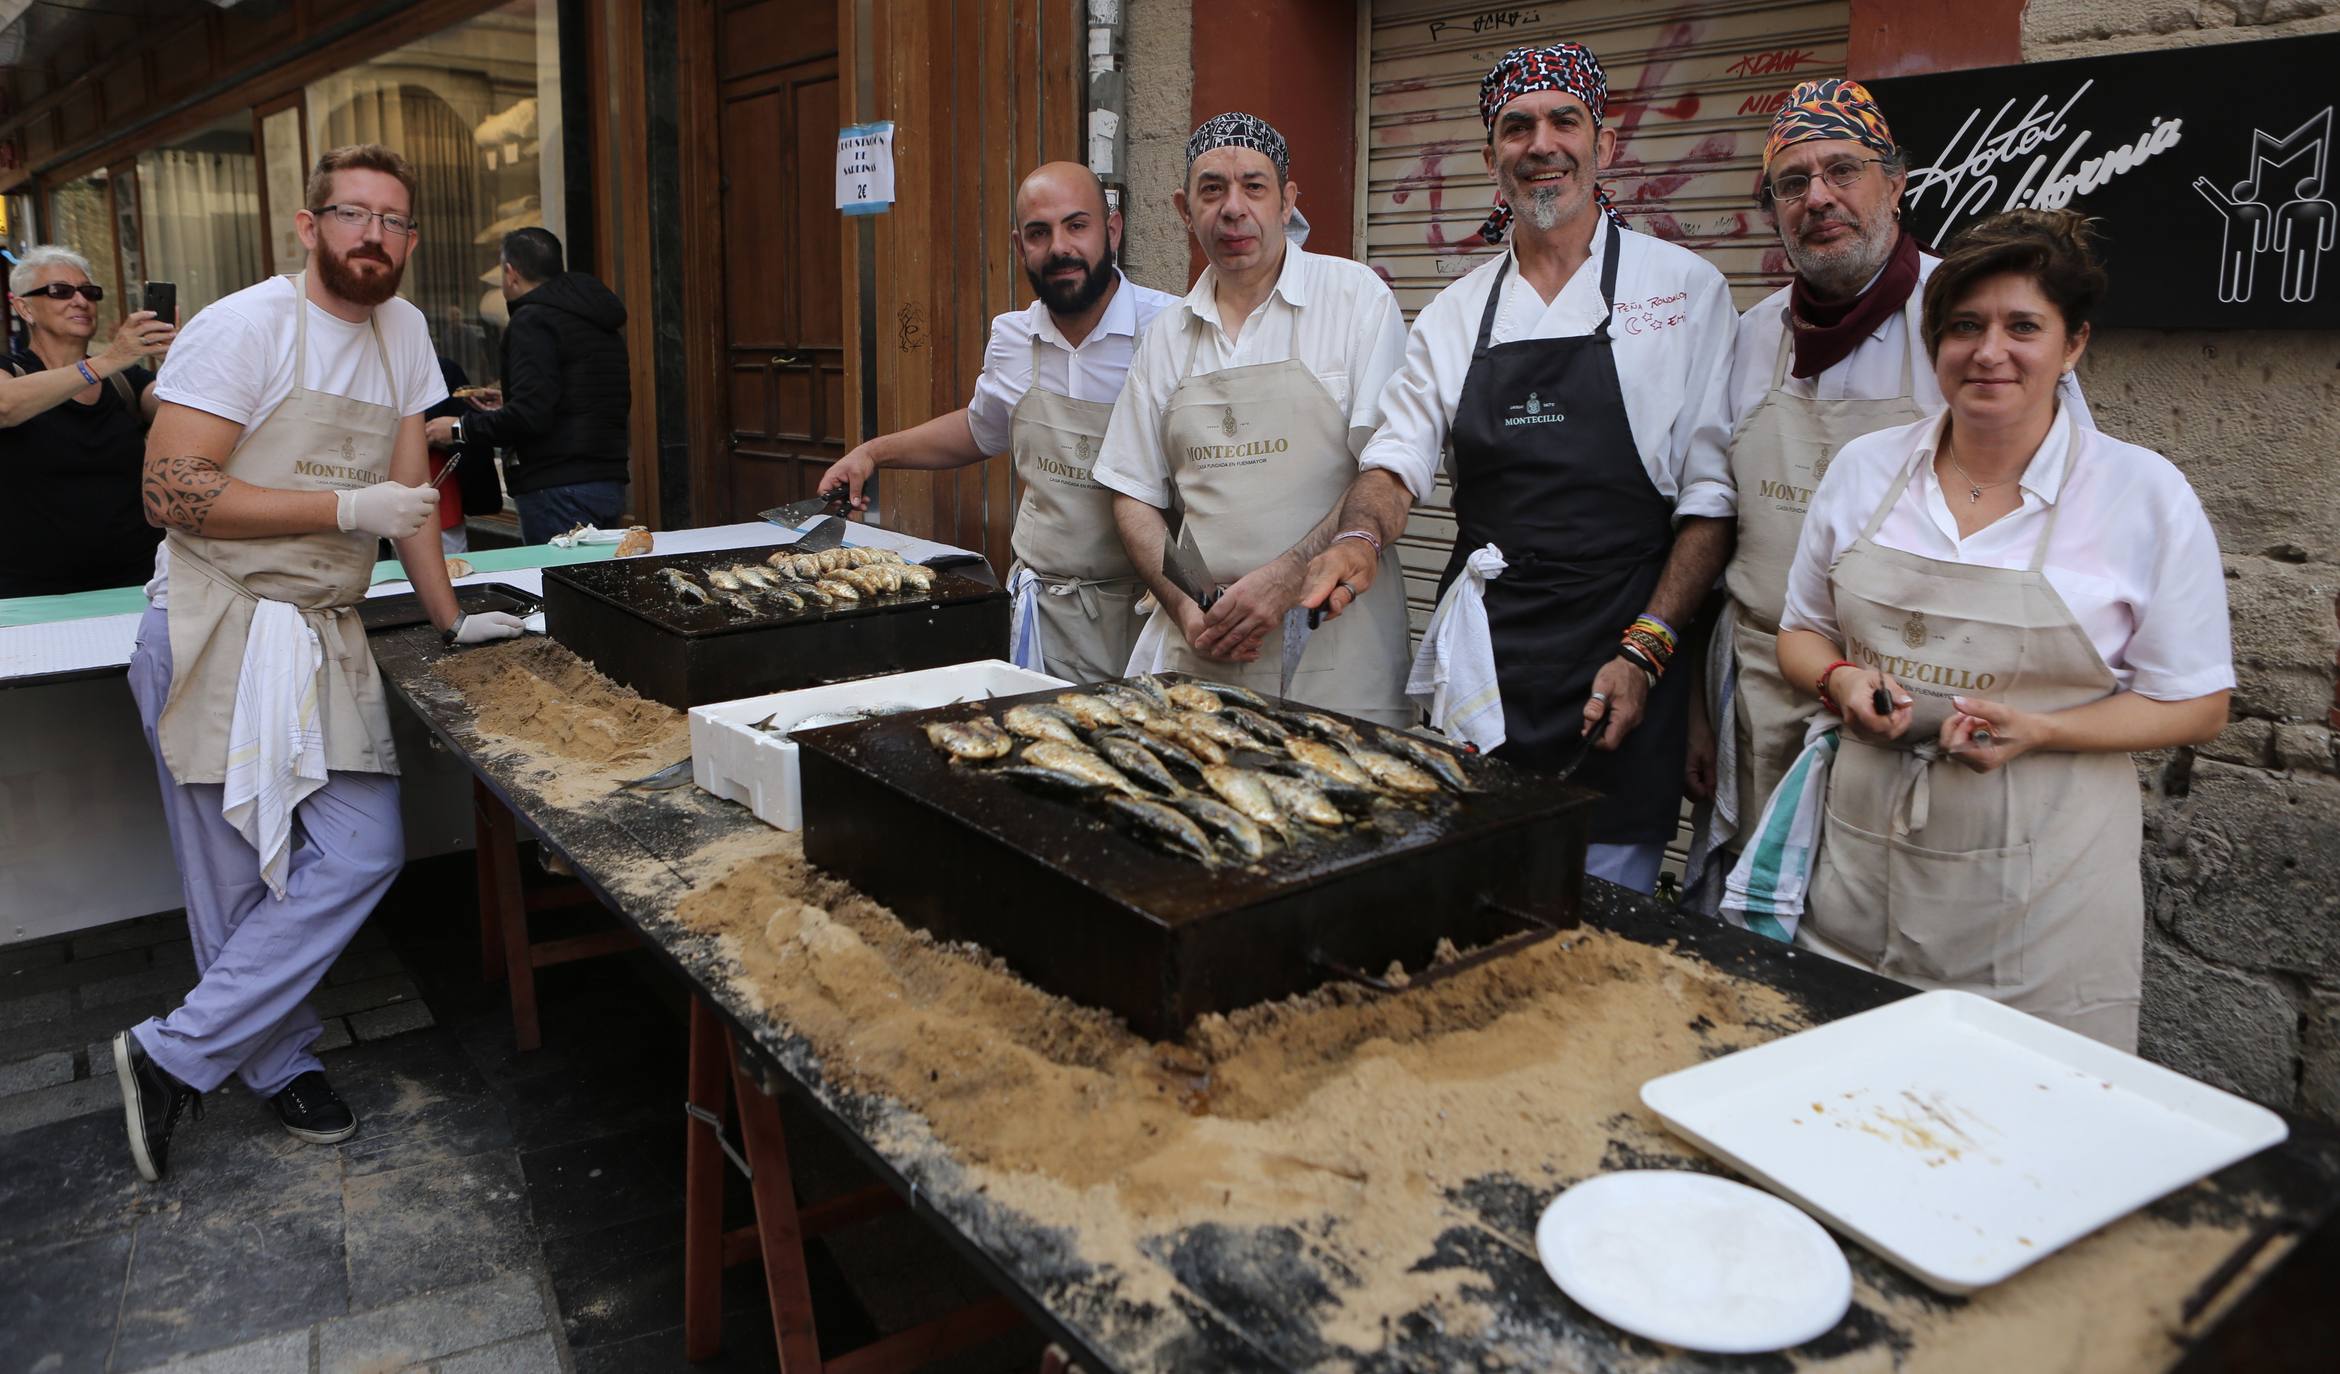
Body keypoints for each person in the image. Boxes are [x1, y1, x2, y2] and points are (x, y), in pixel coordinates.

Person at [115, 144, 527, 1181]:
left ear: (412, 241)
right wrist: (344, 509)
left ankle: (170, 1055)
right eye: (353, 215)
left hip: (322, 626)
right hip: (217, 622)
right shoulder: (243, 327)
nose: (373, 238)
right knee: (233, 880)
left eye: (394, 221)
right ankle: (280, 1063)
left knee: (358, 850)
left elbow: (410, 497)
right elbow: (171, 493)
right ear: (309, 227)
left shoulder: (406, 330)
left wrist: (446, 619)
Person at [1765, 210, 2230, 1050]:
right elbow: (1800, 635)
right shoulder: (1865, 470)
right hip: (1861, 878)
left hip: (2045, 905)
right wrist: (1840, 681)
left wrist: (2043, 727)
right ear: (1934, 342)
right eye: (1965, 327)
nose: (1990, 352)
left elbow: (2196, 704)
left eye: (2024, 327)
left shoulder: (2141, 494)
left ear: (2074, 344)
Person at [1298, 44, 1737, 892]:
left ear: (1602, 145)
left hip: (1626, 646)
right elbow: (1395, 460)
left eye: (1563, 120)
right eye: (1517, 126)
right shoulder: (1457, 313)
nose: (1542, 143)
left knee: (1607, 899)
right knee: (1479, 886)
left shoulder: (1682, 290)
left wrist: (1647, 654)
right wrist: (1359, 534)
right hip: (1491, 654)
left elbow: (1711, 505)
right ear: (1491, 157)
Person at [1682, 78, 2091, 908]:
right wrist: (1698, 699)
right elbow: (1711, 509)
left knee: (1895, 914)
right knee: (1768, 921)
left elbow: (2061, 500)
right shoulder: (1754, 335)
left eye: (1842, 170)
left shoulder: (1971, 322)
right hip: (1763, 678)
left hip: (1921, 695)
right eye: (1792, 183)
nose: (1818, 198)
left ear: (1896, 183)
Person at [1092, 113, 1411, 723]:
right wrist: (1188, 602)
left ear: (1288, 201)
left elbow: (1387, 473)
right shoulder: (1165, 339)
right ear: (1186, 210)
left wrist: (1287, 578)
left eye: (1254, 187)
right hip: (1206, 655)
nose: (1232, 208)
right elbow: (1132, 495)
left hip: (1338, 652)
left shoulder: (1354, 300)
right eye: (1212, 190)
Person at [816, 162, 1177, 683]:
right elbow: (979, 430)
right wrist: (872, 453)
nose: (1059, 247)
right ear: (1019, 246)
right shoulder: (1013, 339)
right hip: (1043, 616)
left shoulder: (1169, 330)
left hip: (1145, 616)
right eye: (1038, 233)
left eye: (1077, 225)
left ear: (1112, 230)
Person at [428, 227, 629, 544]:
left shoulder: (531, 320)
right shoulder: (592, 316)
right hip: (607, 481)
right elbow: (579, 398)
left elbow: (531, 415)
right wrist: (511, 400)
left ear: (510, 273)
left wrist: (457, 428)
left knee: (559, 587)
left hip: (555, 486)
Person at [0, 247, 176, 596]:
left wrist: (180, 354)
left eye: (89, 292)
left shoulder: (126, 382)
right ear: (23, 307)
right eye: (60, 291)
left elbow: (190, 413)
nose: (80, 300)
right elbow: (6, 405)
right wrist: (111, 359)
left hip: (135, 580)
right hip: (31, 591)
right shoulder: (12, 371)